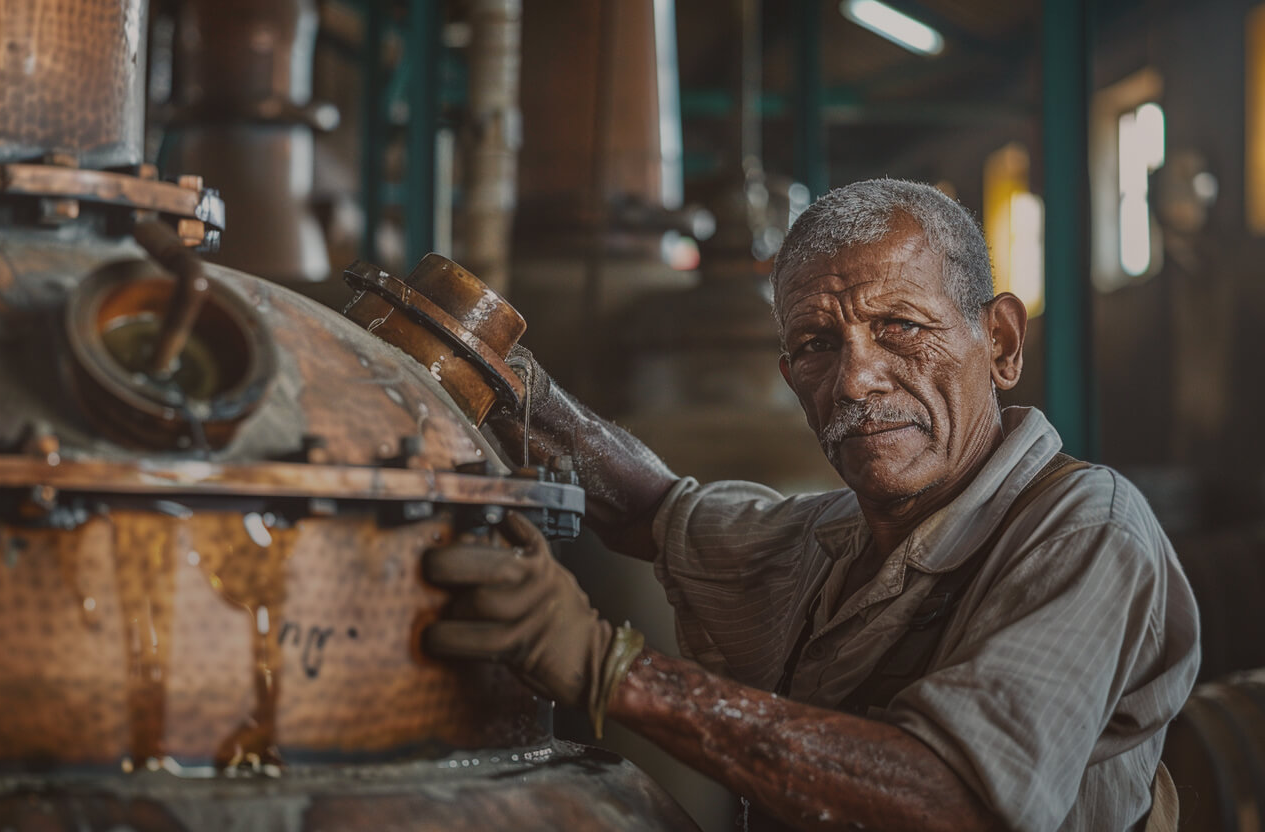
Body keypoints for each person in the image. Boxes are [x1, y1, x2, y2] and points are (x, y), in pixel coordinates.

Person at [421, 179, 1200, 831]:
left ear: (998, 341)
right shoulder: (829, 541)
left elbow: (955, 797)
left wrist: (609, 669)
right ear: (790, 375)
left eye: (900, 326)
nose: (856, 379)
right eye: (818, 345)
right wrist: (505, 383)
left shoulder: (1085, 530)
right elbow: (651, 510)